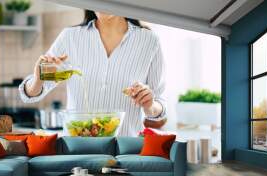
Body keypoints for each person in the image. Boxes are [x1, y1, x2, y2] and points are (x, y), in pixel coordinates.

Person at [19, 10, 166, 136]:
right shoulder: (70, 37)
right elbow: (29, 95)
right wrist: (38, 79)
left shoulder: (149, 40)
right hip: (78, 151)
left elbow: (160, 107)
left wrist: (150, 104)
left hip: (127, 151)